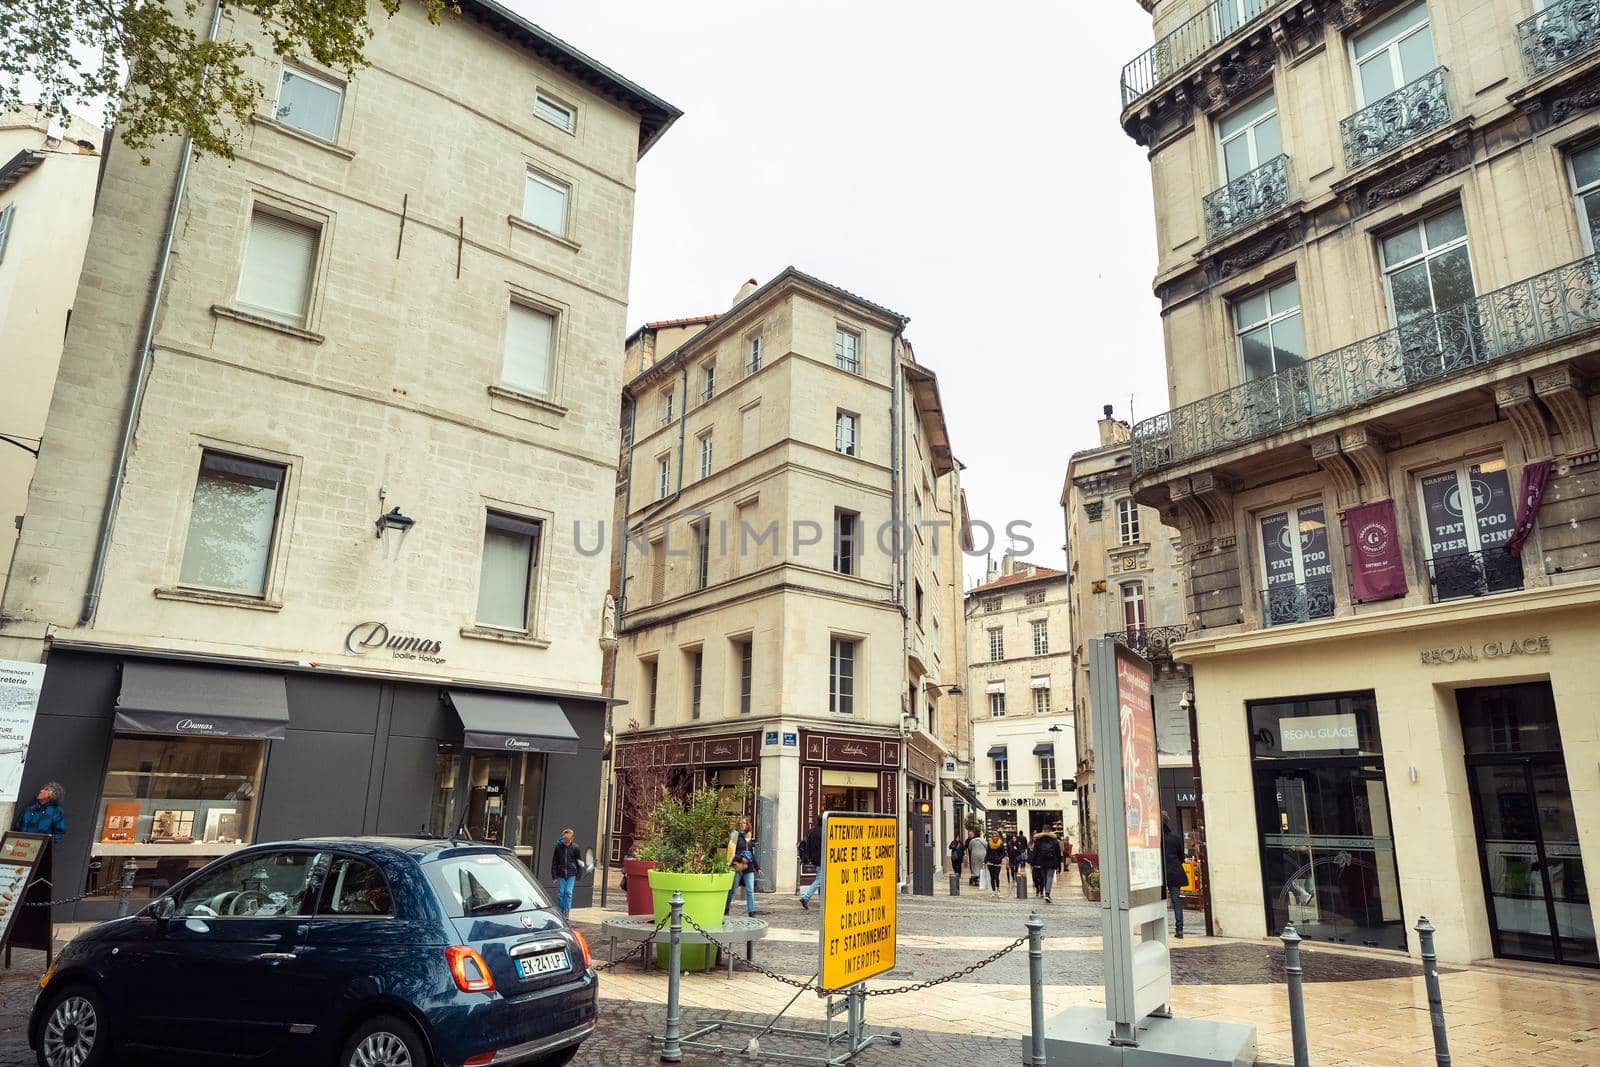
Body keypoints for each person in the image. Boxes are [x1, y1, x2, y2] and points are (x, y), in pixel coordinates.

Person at [725, 816, 758, 916]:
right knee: (732, 890)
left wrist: (758, 867)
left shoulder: (749, 836)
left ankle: (751, 912)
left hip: (749, 868)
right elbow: (731, 852)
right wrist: (740, 859)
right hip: (738, 866)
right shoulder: (734, 836)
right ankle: (726, 909)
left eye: (744, 823)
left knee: (750, 891)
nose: (742, 825)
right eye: (740, 823)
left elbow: (751, 853)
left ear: (747, 824)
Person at [549, 828, 584, 918]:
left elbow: (579, 861)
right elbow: (554, 862)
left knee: (568, 892)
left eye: (568, 839)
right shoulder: (558, 847)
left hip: (572, 874)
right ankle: (561, 910)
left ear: (572, 838)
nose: (566, 841)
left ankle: (566, 911)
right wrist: (554, 876)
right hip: (561, 874)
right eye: (565, 838)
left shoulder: (576, 848)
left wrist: (579, 875)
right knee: (561, 893)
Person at [1162, 812, 1187, 938]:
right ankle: (1179, 929)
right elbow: (1181, 857)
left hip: (1161, 873)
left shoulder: (1158, 839)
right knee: (1176, 901)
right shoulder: (1175, 837)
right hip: (1176, 871)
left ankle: (1158, 930)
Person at [1031, 828, 1063, 903]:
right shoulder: (1054, 841)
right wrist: (1059, 865)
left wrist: (1032, 862)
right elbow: (1058, 853)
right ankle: (1047, 894)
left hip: (1042, 861)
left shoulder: (1039, 841)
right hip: (1052, 861)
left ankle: (1046, 893)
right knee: (1050, 877)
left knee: (1045, 877)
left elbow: (1035, 852)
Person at [799, 818, 824, 909]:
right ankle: (806, 897)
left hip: (814, 859)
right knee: (820, 880)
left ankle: (822, 901)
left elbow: (808, 845)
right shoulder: (824, 831)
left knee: (822, 880)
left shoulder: (812, 831)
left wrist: (808, 857)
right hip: (822, 859)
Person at [985, 831, 1006, 896]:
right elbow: (987, 853)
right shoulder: (989, 843)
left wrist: (1000, 858)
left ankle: (998, 889)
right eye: (993, 836)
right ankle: (993, 891)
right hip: (990, 862)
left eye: (995, 836)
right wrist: (985, 860)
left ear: (998, 837)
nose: (994, 837)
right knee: (992, 877)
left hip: (998, 862)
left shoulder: (1000, 843)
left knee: (996, 876)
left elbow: (1003, 853)